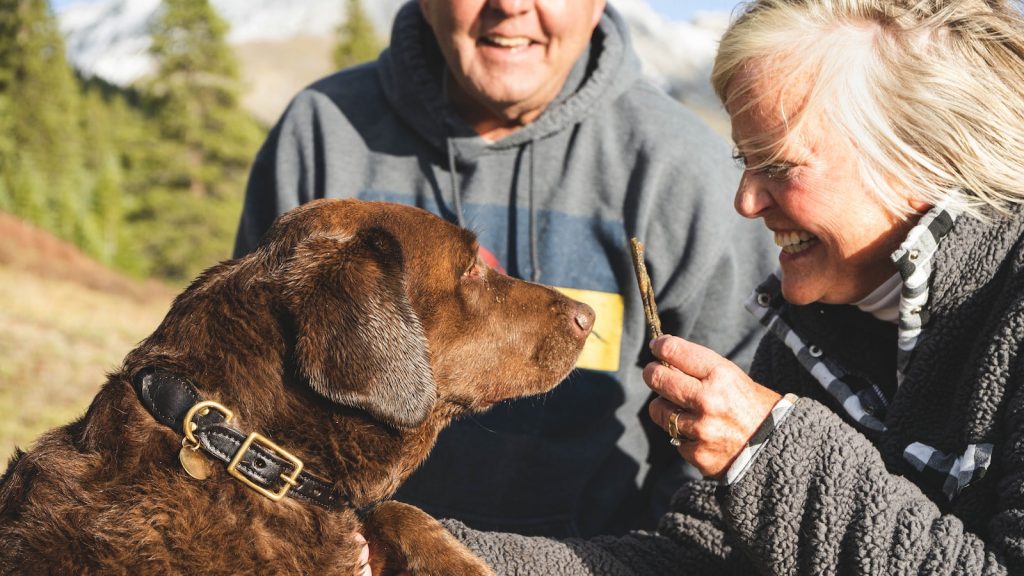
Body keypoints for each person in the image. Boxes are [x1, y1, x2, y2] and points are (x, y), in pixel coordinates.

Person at [437, 0, 1024, 573]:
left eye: (779, 165)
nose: (745, 201)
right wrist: (424, 558)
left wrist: (766, 451)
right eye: (746, 160)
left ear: (926, 156)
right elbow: (700, 559)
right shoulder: (813, 334)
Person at [233, 0, 774, 539]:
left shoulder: (680, 168)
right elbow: (248, 390)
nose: (511, 6)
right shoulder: (324, 135)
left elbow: (728, 445)